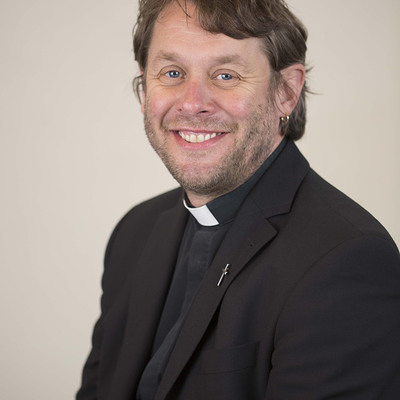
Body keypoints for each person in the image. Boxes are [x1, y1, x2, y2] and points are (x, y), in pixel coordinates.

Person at [76, 0, 400, 399]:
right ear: (145, 89)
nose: (192, 102)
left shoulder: (347, 261)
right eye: (172, 73)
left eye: (225, 75)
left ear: (286, 91)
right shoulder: (134, 232)